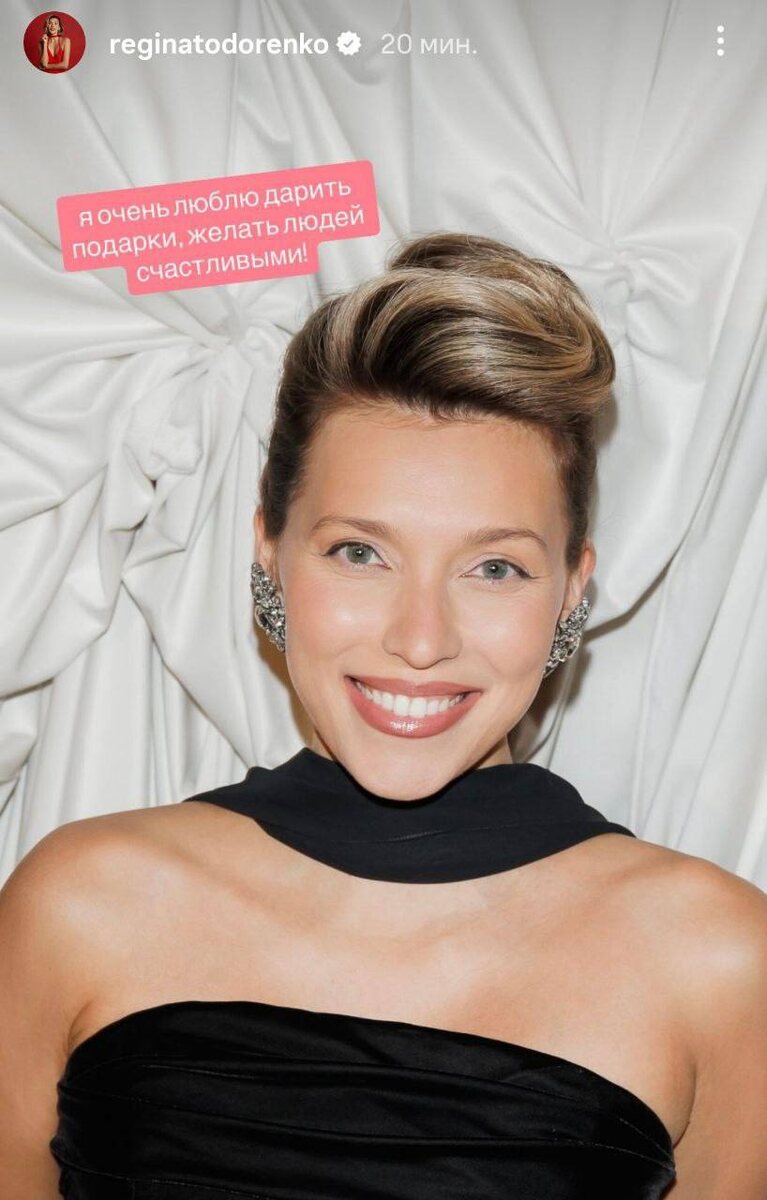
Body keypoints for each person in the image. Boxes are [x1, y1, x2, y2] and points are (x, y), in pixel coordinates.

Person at [2, 232, 767, 1198]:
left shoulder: (715, 958)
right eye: (360, 553)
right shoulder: (82, 902)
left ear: (572, 591)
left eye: (494, 567)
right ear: (269, 552)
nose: (420, 638)